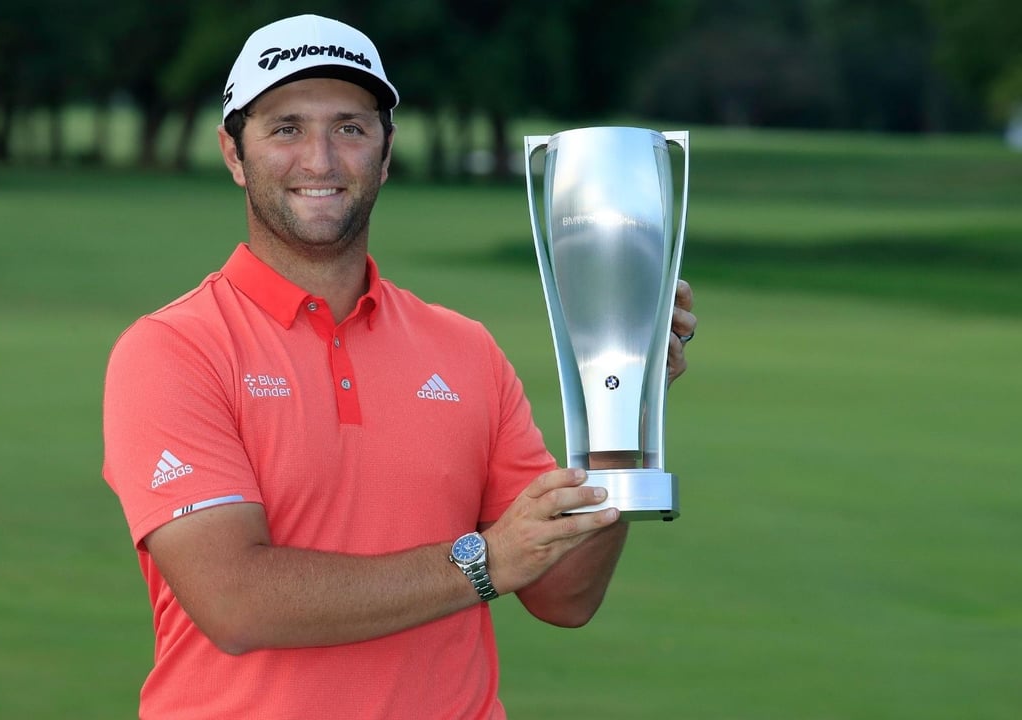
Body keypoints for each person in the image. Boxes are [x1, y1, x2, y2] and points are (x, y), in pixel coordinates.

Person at [102, 14, 697, 720]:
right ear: (234, 153)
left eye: (350, 128)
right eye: (285, 128)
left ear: (385, 153)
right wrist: (482, 562)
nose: (320, 160)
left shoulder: (464, 349)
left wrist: (621, 408)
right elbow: (235, 601)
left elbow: (564, 595)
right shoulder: (173, 349)